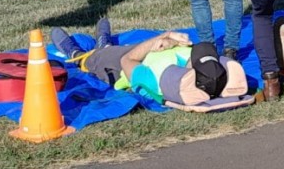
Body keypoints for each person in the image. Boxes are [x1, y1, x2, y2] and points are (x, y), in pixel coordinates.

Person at [50, 18, 247, 106]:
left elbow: (128, 59)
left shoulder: (155, 81)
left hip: (121, 65)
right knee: (122, 48)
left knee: (99, 58)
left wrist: (163, 37)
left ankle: (77, 52)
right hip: (152, 52)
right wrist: (174, 42)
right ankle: (104, 43)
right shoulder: (206, 69)